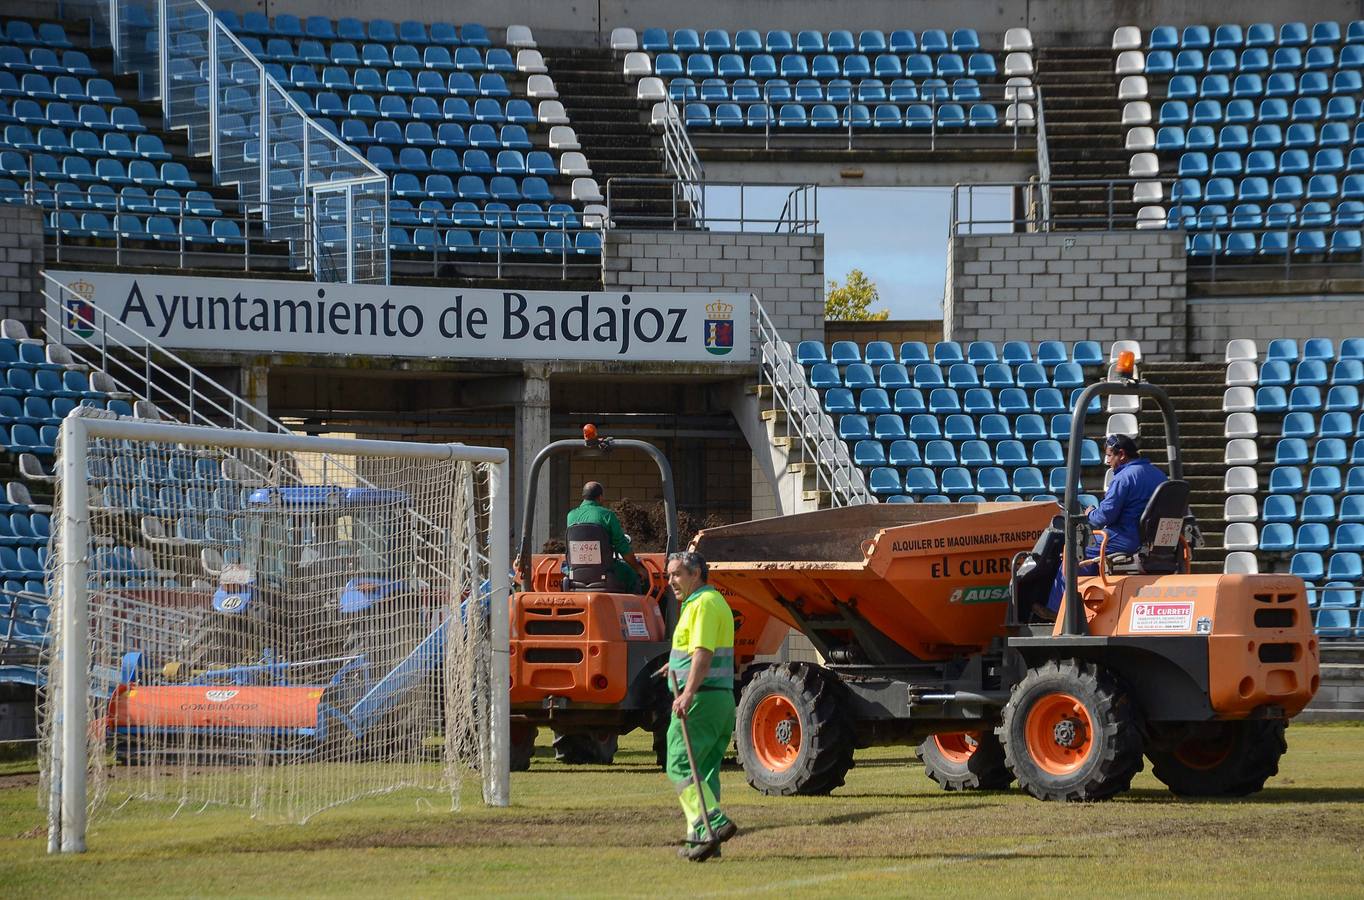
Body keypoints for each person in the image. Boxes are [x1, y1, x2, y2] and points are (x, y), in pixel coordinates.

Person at [664, 550, 739, 862]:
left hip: (702, 701)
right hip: (717, 699)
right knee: (704, 774)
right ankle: (704, 841)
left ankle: (716, 823)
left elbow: (703, 653)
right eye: (668, 576)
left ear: (695, 574)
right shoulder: (706, 602)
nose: (671, 582)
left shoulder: (703, 604)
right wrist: (673, 669)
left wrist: (687, 692)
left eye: (676, 574)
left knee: (679, 764)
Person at [1042, 434, 1167, 619]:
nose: (1107, 461)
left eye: (1109, 455)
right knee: (1090, 550)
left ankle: (1057, 611)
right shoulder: (1159, 474)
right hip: (1149, 539)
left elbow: (1103, 517)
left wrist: (1089, 513)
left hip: (1124, 538)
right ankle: (1088, 605)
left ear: (1121, 454)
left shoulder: (1124, 478)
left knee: (1072, 552)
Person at [566, 481, 648, 593]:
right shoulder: (607, 515)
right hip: (606, 572)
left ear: (583, 497)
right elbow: (622, 546)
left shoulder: (571, 516)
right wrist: (638, 569)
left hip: (576, 574)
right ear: (600, 497)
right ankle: (636, 609)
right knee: (632, 575)